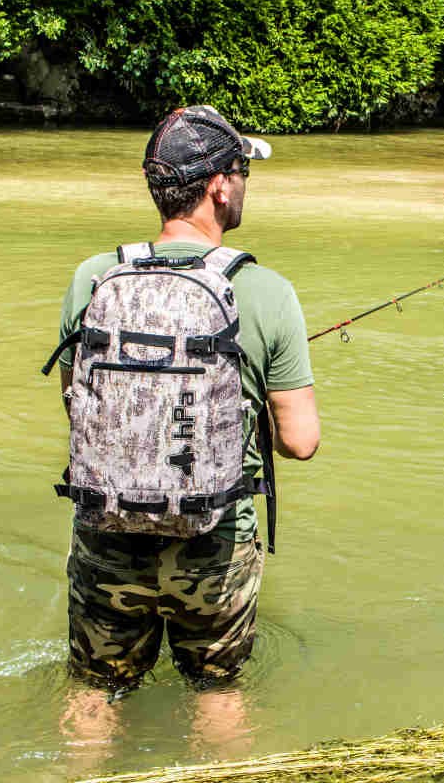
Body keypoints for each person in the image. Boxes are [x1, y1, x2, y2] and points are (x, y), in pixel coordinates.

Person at [55, 105, 320, 694]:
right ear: (219, 187)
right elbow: (300, 443)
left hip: (107, 536)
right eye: (244, 170)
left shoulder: (92, 278)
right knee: (217, 697)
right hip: (216, 547)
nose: (248, 183)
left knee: (94, 699)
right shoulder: (267, 292)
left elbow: (78, 409)